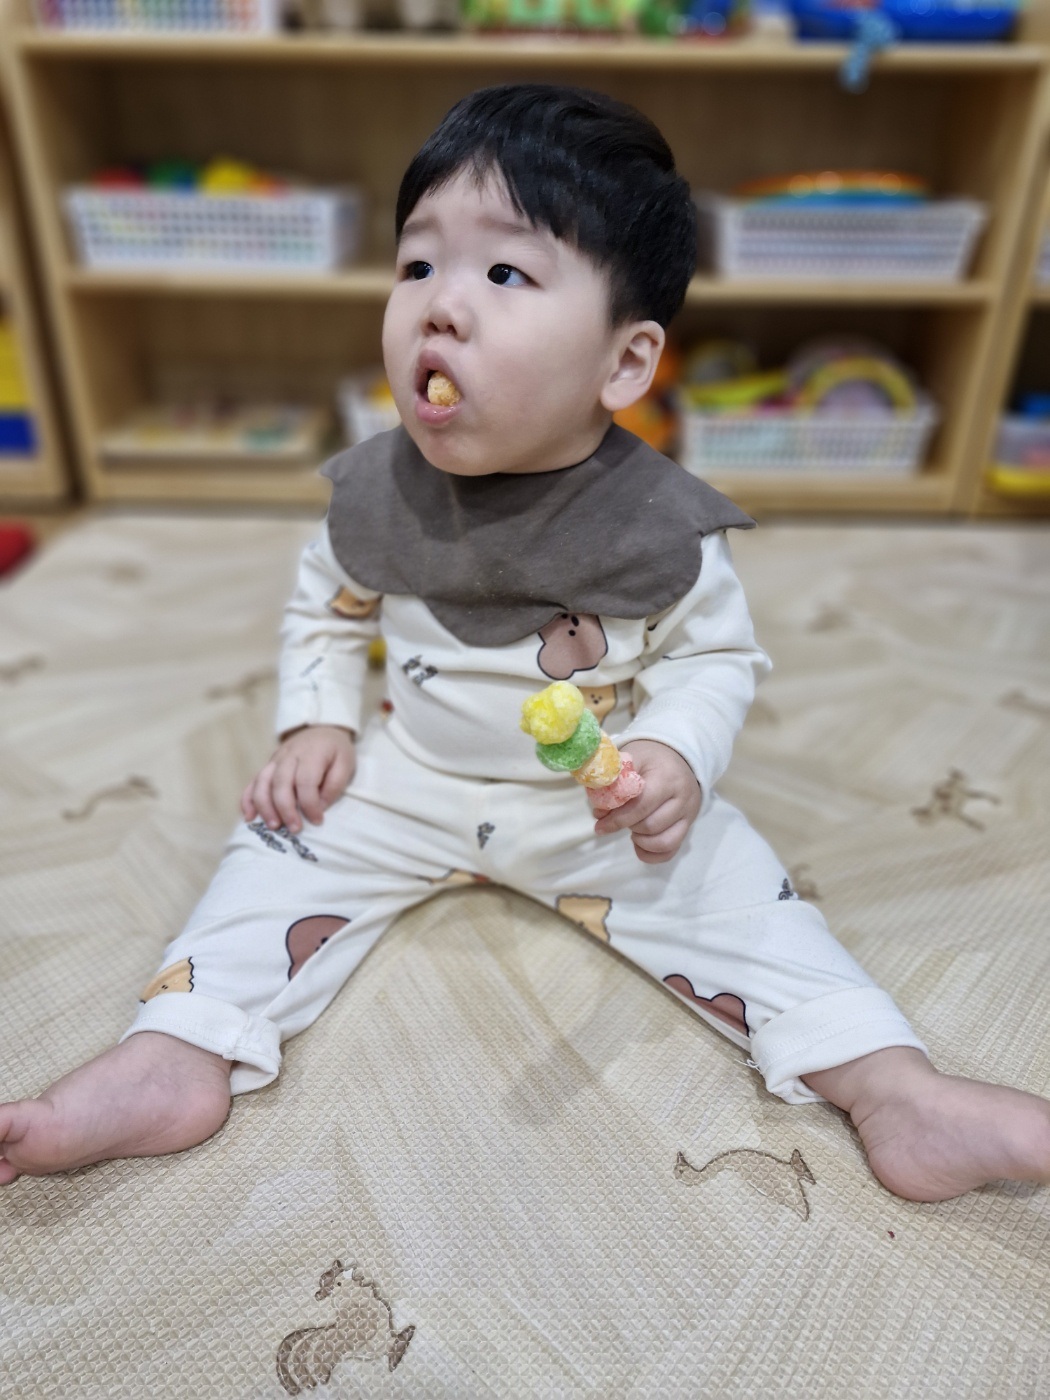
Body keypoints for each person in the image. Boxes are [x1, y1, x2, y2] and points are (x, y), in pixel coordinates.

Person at [2, 85, 1048, 1203]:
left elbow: (711, 661)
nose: (440, 309)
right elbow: (328, 611)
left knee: (742, 893)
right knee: (271, 850)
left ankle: (893, 1087)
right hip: (406, 776)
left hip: (594, 805)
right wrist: (317, 721)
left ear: (625, 363)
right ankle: (176, 1050)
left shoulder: (659, 528)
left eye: (505, 273)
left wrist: (675, 758)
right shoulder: (377, 490)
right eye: (417, 266)